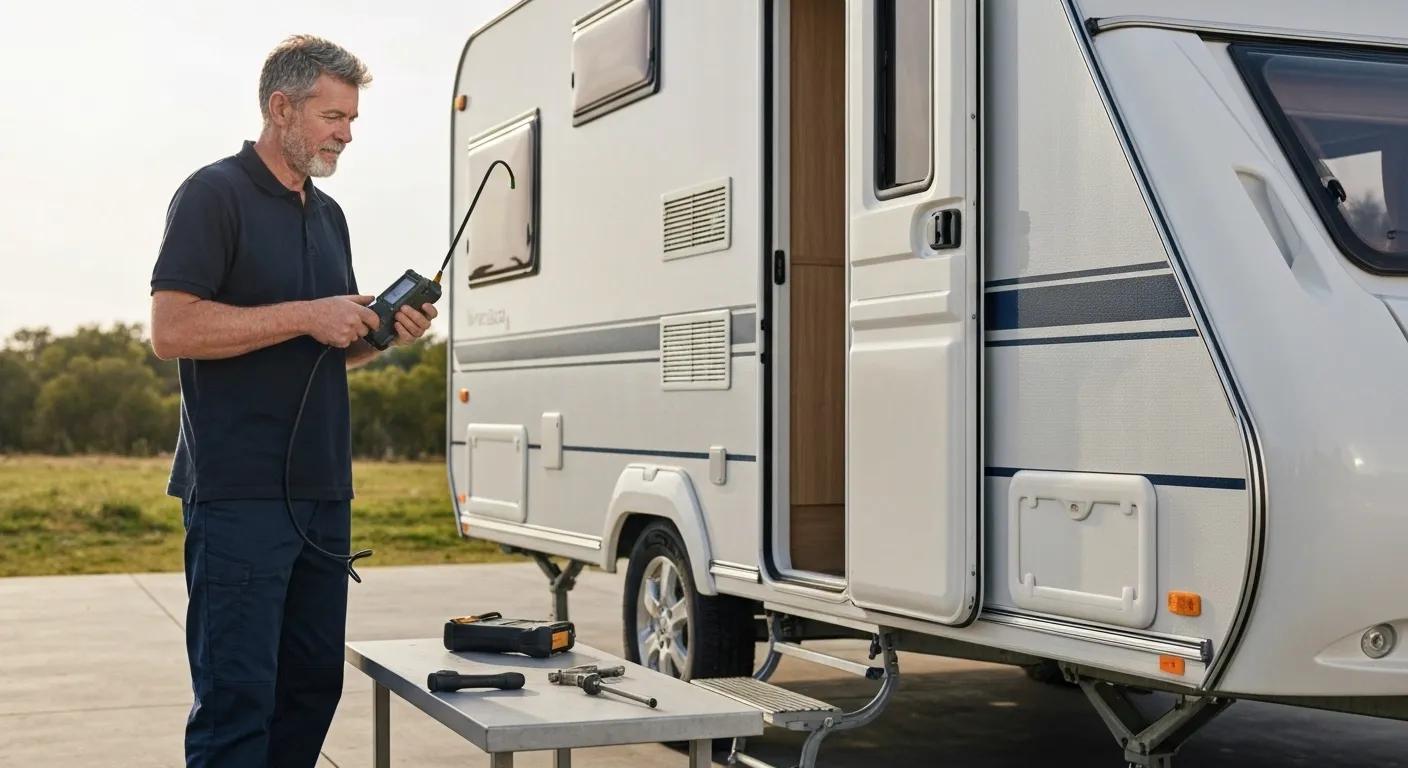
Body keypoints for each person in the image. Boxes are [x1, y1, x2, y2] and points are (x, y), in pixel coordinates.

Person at [148, 35, 435, 767]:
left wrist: (382, 336)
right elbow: (172, 329)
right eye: (333, 116)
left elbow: (330, 351)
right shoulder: (213, 194)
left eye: (352, 120)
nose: (346, 133)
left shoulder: (329, 214)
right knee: (237, 700)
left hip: (322, 492)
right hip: (239, 494)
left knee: (310, 689)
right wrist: (308, 312)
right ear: (282, 108)